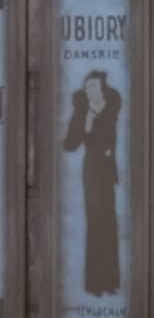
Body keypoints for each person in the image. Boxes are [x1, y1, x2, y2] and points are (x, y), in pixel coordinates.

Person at [62, 69, 122, 296]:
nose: (91, 90)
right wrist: (85, 121)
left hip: (108, 172)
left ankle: (111, 283)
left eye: (95, 86)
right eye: (88, 87)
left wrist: (96, 116)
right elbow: (69, 144)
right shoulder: (82, 113)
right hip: (92, 173)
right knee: (96, 224)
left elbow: (110, 134)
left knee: (110, 225)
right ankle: (95, 285)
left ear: (102, 88)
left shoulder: (111, 108)